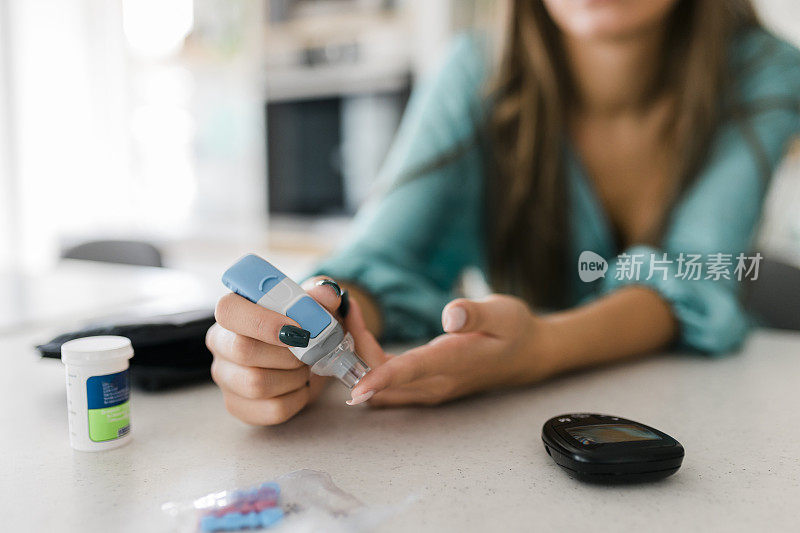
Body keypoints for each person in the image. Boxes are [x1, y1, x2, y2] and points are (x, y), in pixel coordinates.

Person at [206, 0, 800, 425]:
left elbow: (698, 274)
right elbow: (381, 259)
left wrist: (540, 348)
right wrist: (319, 321)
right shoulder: (475, 69)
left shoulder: (767, 69)